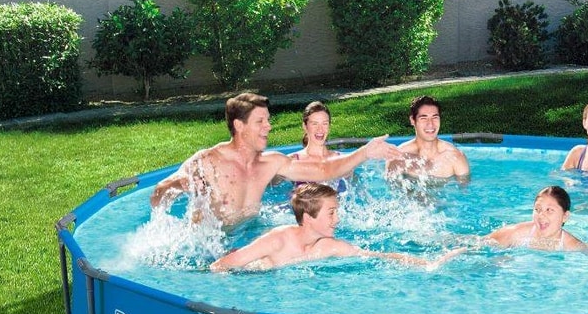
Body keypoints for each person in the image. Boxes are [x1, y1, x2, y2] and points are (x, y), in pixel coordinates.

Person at [149, 93, 399, 229]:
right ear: (239, 126)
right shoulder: (206, 161)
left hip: (250, 233)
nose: (268, 126)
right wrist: (180, 186)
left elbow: (324, 170)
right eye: (261, 121)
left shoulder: (271, 163)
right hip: (210, 247)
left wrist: (364, 153)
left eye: (268, 120)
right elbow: (158, 193)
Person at [209, 183, 428, 271]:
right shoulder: (278, 241)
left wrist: (427, 264)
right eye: (331, 213)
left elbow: (378, 256)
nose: (337, 219)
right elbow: (220, 266)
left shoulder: (328, 246)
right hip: (245, 273)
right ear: (308, 218)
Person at [480, 185, 588, 267]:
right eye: (537, 209)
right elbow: (478, 244)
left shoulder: (571, 244)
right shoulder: (516, 233)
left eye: (549, 210)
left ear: (565, 216)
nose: (541, 216)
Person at [386, 95, 471, 182]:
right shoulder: (398, 157)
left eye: (435, 117)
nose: (430, 124)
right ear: (412, 120)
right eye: (423, 118)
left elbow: (465, 188)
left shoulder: (456, 157)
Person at [286, 101, 348, 194]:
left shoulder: (342, 160)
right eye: (314, 124)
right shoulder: (292, 161)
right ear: (305, 126)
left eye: (325, 123)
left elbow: (358, 190)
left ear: (329, 126)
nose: (320, 129)